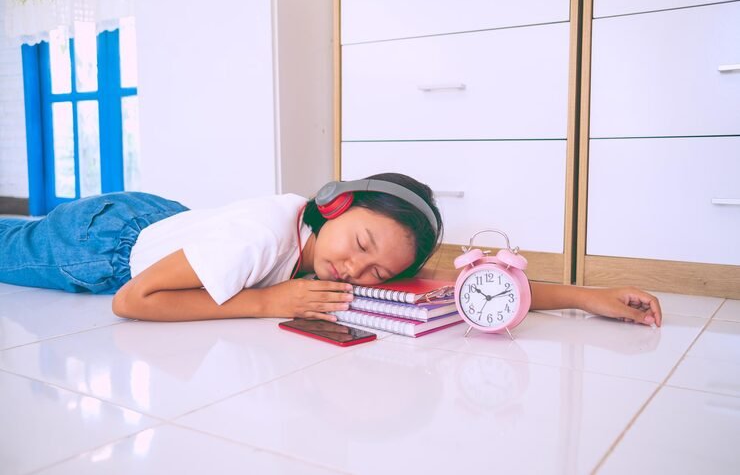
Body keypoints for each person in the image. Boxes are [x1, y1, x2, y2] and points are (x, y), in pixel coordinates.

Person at [0, 172, 662, 327]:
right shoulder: (261, 237)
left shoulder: (348, 254)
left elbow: (461, 291)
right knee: (11, 242)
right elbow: (131, 300)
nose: (357, 270)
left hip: (173, 222)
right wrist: (266, 303)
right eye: (362, 244)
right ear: (335, 203)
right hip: (104, 246)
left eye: (378, 270)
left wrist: (587, 297)